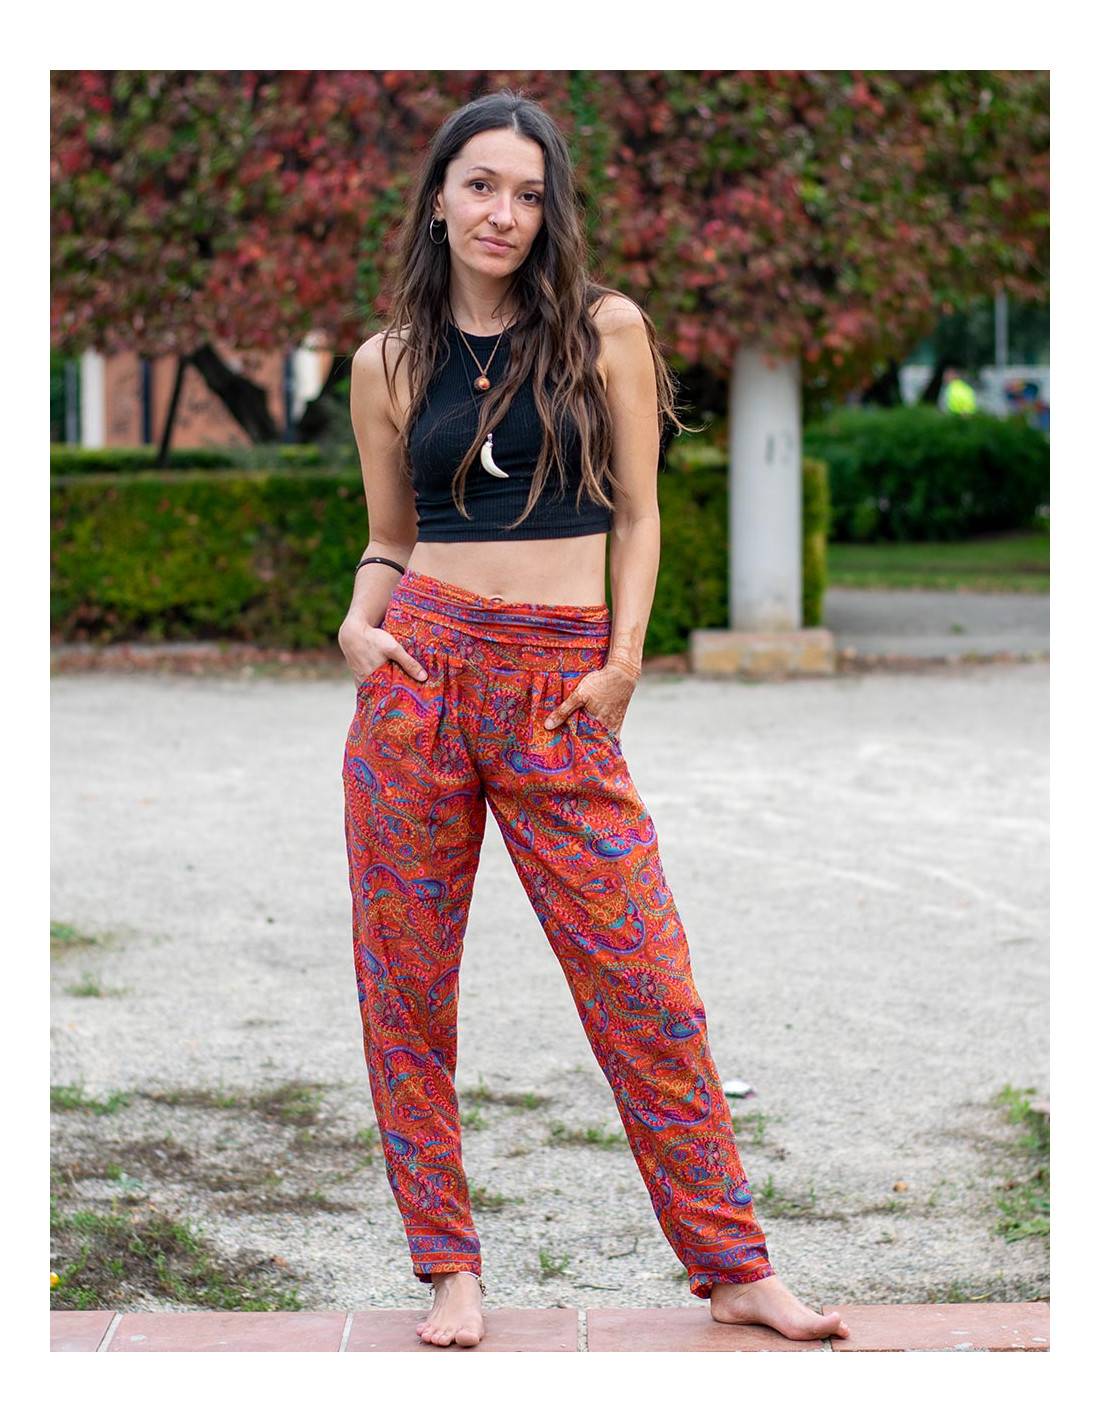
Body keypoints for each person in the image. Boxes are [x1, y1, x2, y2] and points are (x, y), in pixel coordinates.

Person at [338, 88, 849, 1350]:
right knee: (405, 990)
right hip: (421, 675)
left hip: (562, 687)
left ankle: (733, 1265)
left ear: (549, 208)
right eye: (479, 186)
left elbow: (638, 513)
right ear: (439, 198)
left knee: (645, 985)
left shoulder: (603, 329)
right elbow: (390, 538)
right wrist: (357, 623)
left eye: (527, 193)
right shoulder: (386, 363)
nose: (501, 213)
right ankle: (448, 1270)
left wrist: (622, 664)